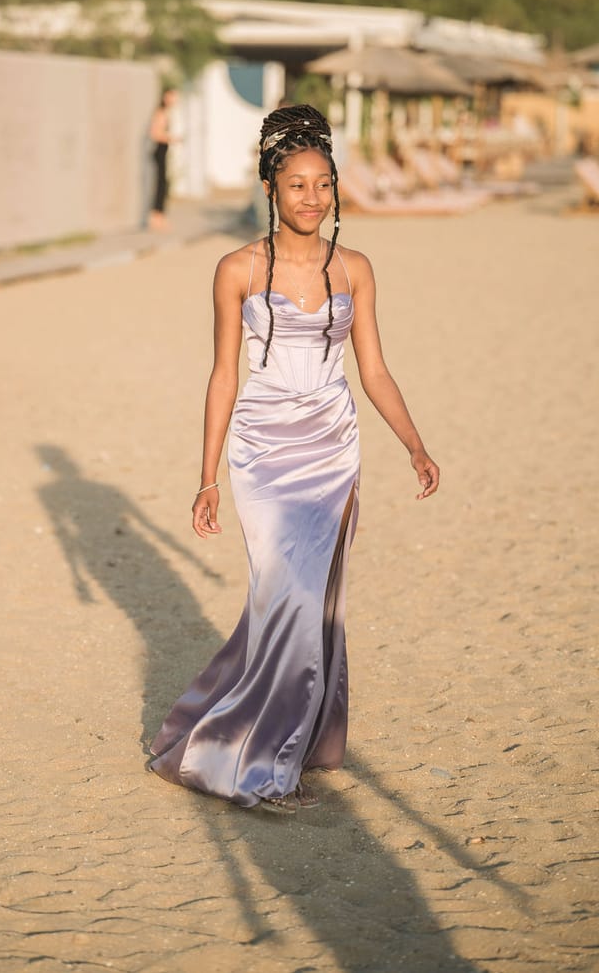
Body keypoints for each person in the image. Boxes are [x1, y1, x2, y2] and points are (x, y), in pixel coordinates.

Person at [149, 104, 439, 813]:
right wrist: (207, 478)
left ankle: (288, 745)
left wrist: (414, 444)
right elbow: (225, 375)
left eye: (323, 184)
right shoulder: (236, 269)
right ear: (271, 190)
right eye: (297, 185)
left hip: (333, 448)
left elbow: (373, 370)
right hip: (262, 450)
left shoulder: (356, 269)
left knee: (315, 603)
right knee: (288, 599)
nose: (312, 198)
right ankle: (256, 763)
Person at [148, 87, 178, 231]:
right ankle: (156, 217)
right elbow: (155, 134)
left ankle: (160, 216)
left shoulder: (166, 113)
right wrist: (170, 138)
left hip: (163, 152)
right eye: (172, 96)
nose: (175, 100)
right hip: (159, 151)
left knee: (163, 184)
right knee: (160, 184)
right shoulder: (160, 113)